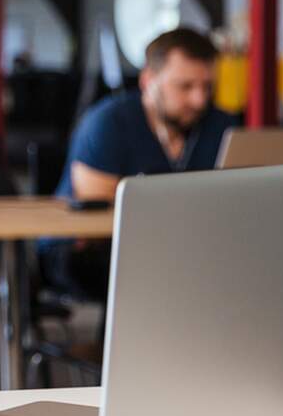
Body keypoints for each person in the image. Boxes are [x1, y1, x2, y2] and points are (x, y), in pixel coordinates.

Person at [45, 27, 234, 299]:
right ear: (148, 80)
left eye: (207, 87)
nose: (199, 99)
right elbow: (100, 219)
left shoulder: (220, 125)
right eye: (185, 86)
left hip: (181, 243)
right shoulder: (107, 123)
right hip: (83, 248)